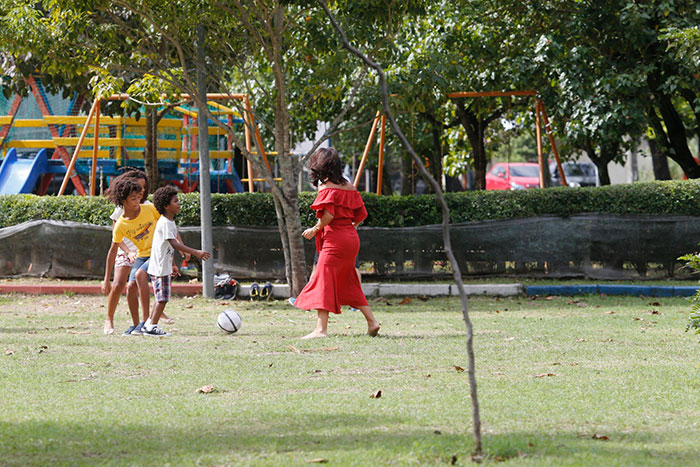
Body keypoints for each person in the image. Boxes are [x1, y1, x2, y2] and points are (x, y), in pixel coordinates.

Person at [291, 147, 380, 339]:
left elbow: (329, 214)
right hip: (351, 238)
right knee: (349, 281)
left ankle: (320, 330)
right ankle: (372, 322)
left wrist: (315, 229)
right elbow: (361, 215)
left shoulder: (326, 187)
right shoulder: (349, 186)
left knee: (323, 280)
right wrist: (347, 227)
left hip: (335, 241)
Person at [144, 186, 211, 336]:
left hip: (163, 266)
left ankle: (149, 324)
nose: (179, 204)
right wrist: (195, 252)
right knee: (162, 299)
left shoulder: (169, 221)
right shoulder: (165, 223)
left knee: (160, 298)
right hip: (160, 268)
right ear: (166, 206)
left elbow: (167, 247)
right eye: (175, 201)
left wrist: (173, 264)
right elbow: (174, 244)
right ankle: (152, 327)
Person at [102, 176, 161, 336]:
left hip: (148, 251)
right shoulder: (121, 216)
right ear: (124, 199)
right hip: (129, 250)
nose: (139, 197)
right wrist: (107, 278)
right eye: (134, 196)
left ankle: (146, 321)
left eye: (142, 191)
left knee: (139, 279)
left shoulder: (148, 207)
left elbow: (167, 224)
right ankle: (114, 319)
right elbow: (114, 244)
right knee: (121, 284)